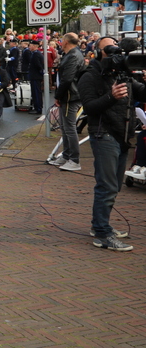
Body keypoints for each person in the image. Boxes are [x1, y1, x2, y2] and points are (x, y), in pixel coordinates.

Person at [78, 36, 146, 252]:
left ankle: (99, 225)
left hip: (122, 135)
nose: (115, 53)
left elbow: (143, 93)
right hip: (103, 134)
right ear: (98, 53)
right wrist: (111, 96)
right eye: (109, 49)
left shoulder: (122, 74)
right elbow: (88, 108)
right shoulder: (90, 76)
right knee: (106, 186)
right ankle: (102, 234)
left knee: (115, 186)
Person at [52, 32, 83, 172]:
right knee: (65, 127)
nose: (60, 42)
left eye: (62, 40)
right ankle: (66, 155)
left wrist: (58, 96)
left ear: (66, 42)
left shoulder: (73, 56)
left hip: (70, 96)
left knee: (69, 128)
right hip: (69, 95)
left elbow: (67, 79)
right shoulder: (70, 54)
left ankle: (74, 160)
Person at [27, 39, 44, 115]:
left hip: (35, 76)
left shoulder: (36, 54)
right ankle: (37, 107)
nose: (29, 47)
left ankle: (38, 108)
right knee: (36, 92)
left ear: (34, 46)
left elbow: (38, 65)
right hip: (35, 75)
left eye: (30, 46)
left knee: (36, 92)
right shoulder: (35, 53)